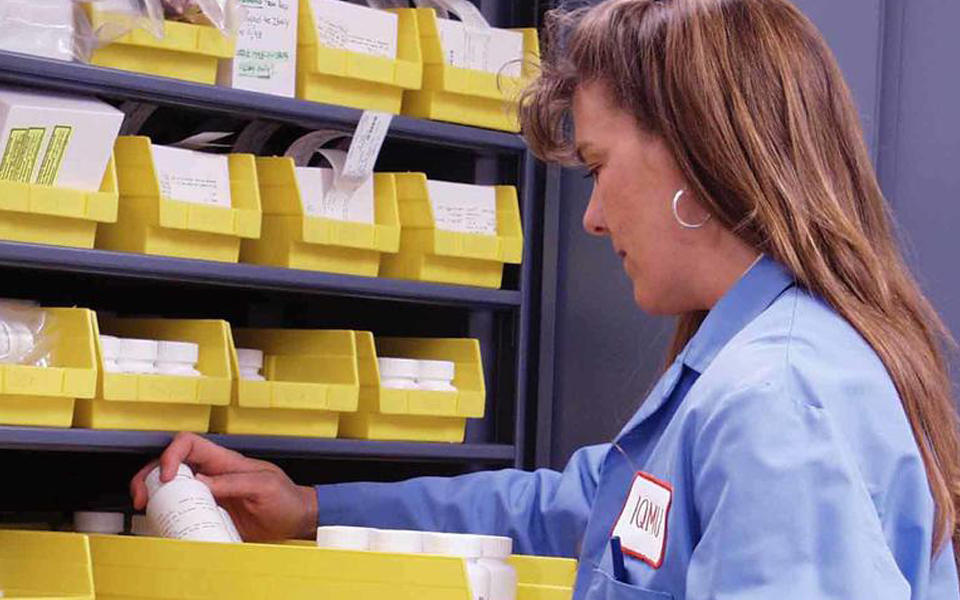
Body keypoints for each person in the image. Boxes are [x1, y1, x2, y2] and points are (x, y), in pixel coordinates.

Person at [130, 0, 960, 597]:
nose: (592, 219)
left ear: (698, 158)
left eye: (598, 168)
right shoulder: (741, 377)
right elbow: (568, 506)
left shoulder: (775, 397)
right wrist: (310, 509)